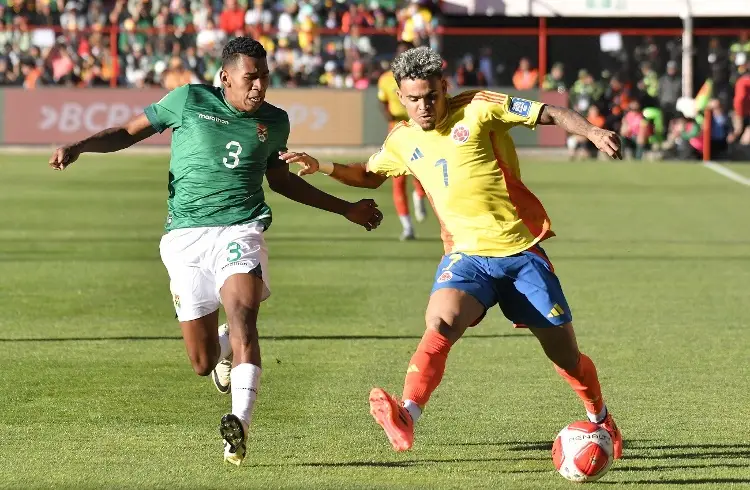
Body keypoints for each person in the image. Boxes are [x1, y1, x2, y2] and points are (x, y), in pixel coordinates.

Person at [48, 37, 383, 466]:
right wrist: (78, 146)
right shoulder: (188, 99)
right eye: (250, 78)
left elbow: (279, 181)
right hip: (185, 239)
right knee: (202, 361)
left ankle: (239, 424)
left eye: (264, 76)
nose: (259, 86)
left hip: (241, 230)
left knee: (243, 313)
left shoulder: (275, 122)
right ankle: (221, 349)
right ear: (226, 77)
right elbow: (128, 132)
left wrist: (345, 209)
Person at [281, 46, 623, 458]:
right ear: (400, 97)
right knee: (440, 323)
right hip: (466, 257)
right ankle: (407, 414)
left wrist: (591, 131)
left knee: (565, 356)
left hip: (520, 252)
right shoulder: (403, 139)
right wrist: (324, 167)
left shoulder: (479, 107)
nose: (423, 107)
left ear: (445, 87)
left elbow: (549, 111)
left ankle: (600, 417)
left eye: (431, 96)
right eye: (413, 99)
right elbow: (370, 176)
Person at [377, 41, 427, 240]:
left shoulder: (421, 77)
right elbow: (381, 101)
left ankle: (420, 195)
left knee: (422, 172)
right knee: (397, 179)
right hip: (397, 129)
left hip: (419, 128)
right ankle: (407, 226)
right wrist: (388, 117)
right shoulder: (386, 79)